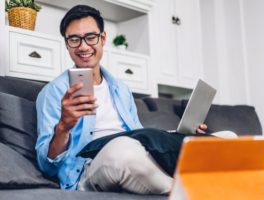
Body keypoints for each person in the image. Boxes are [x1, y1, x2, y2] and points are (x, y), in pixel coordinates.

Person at [35, 5, 213, 195]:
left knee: (226, 138)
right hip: (93, 167)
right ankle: (193, 192)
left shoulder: (121, 89)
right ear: (67, 44)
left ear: (102, 39)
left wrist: (179, 135)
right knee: (122, 149)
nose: (84, 46)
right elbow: (47, 166)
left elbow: (139, 135)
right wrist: (63, 127)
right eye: (74, 39)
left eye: (90, 37)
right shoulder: (53, 92)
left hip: (136, 155)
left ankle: (190, 182)